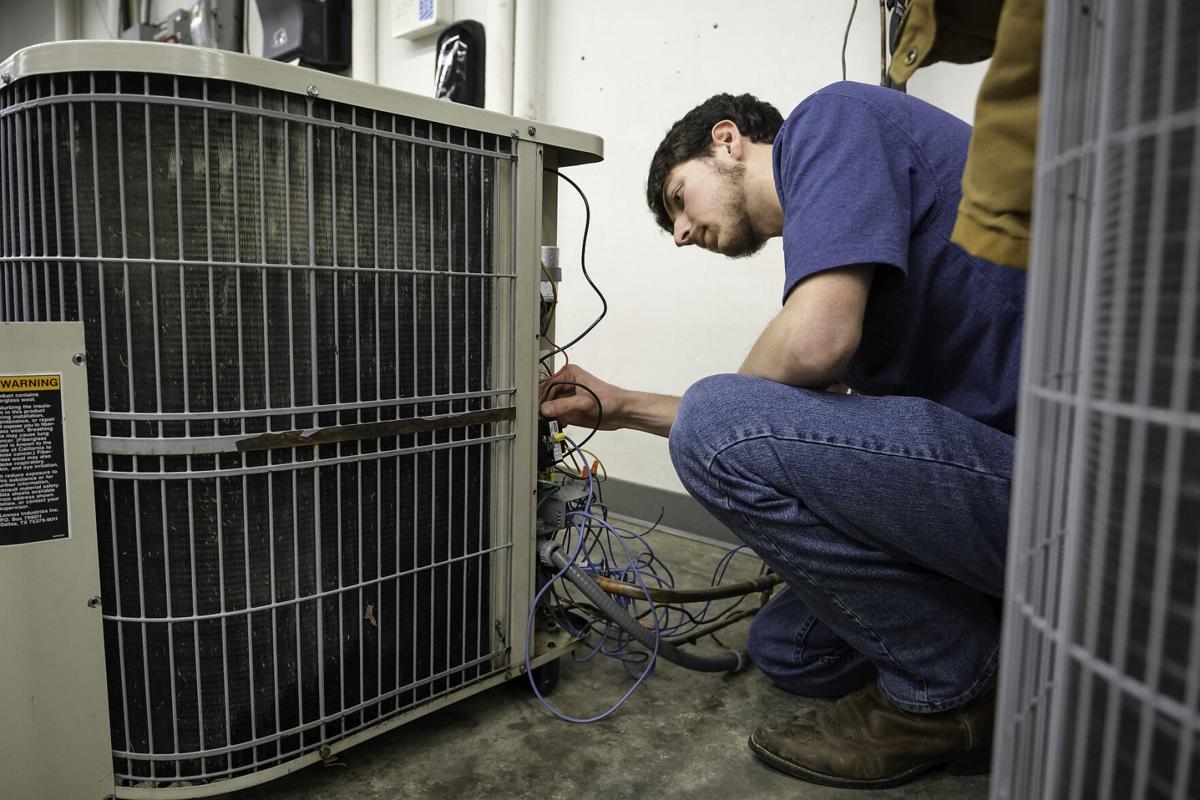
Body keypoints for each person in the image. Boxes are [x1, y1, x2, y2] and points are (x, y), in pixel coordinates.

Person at [539, 83, 1025, 790]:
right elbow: (814, 432)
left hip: (1063, 484)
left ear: (727, 140)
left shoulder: (831, 122)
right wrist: (621, 407)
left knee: (718, 420)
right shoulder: (848, 258)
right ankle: (1015, 650)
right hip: (990, 482)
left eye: (678, 199)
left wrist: (721, 414)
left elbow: (802, 357)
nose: (679, 234)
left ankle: (949, 693)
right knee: (790, 648)